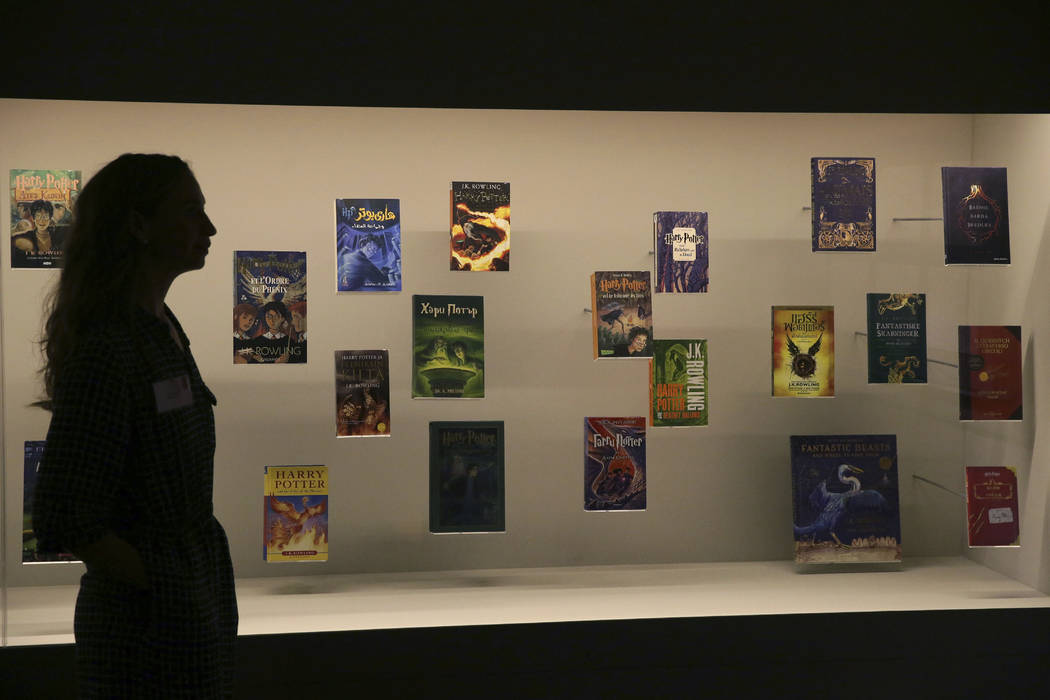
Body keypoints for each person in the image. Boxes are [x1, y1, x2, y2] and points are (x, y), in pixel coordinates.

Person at [32, 153, 237, 698]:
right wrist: (163, 584)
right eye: (191, 212)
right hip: (143, 637)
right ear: (139, 224)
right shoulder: (110, 345)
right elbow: (62, 513)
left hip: (185, 612)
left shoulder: (160, 325)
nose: (209, 228)